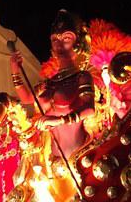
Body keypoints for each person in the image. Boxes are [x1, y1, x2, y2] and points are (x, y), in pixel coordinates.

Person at [10, 9, 95, 157]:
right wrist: (15, 71)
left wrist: (59, 120)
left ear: (77, 43)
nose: (59, 44)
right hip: (51, 158)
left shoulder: (82, 77)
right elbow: (27, 99)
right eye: (55, 39)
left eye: (66, 38)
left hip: (79, 156)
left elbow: (89, 109)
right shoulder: (49, 83)